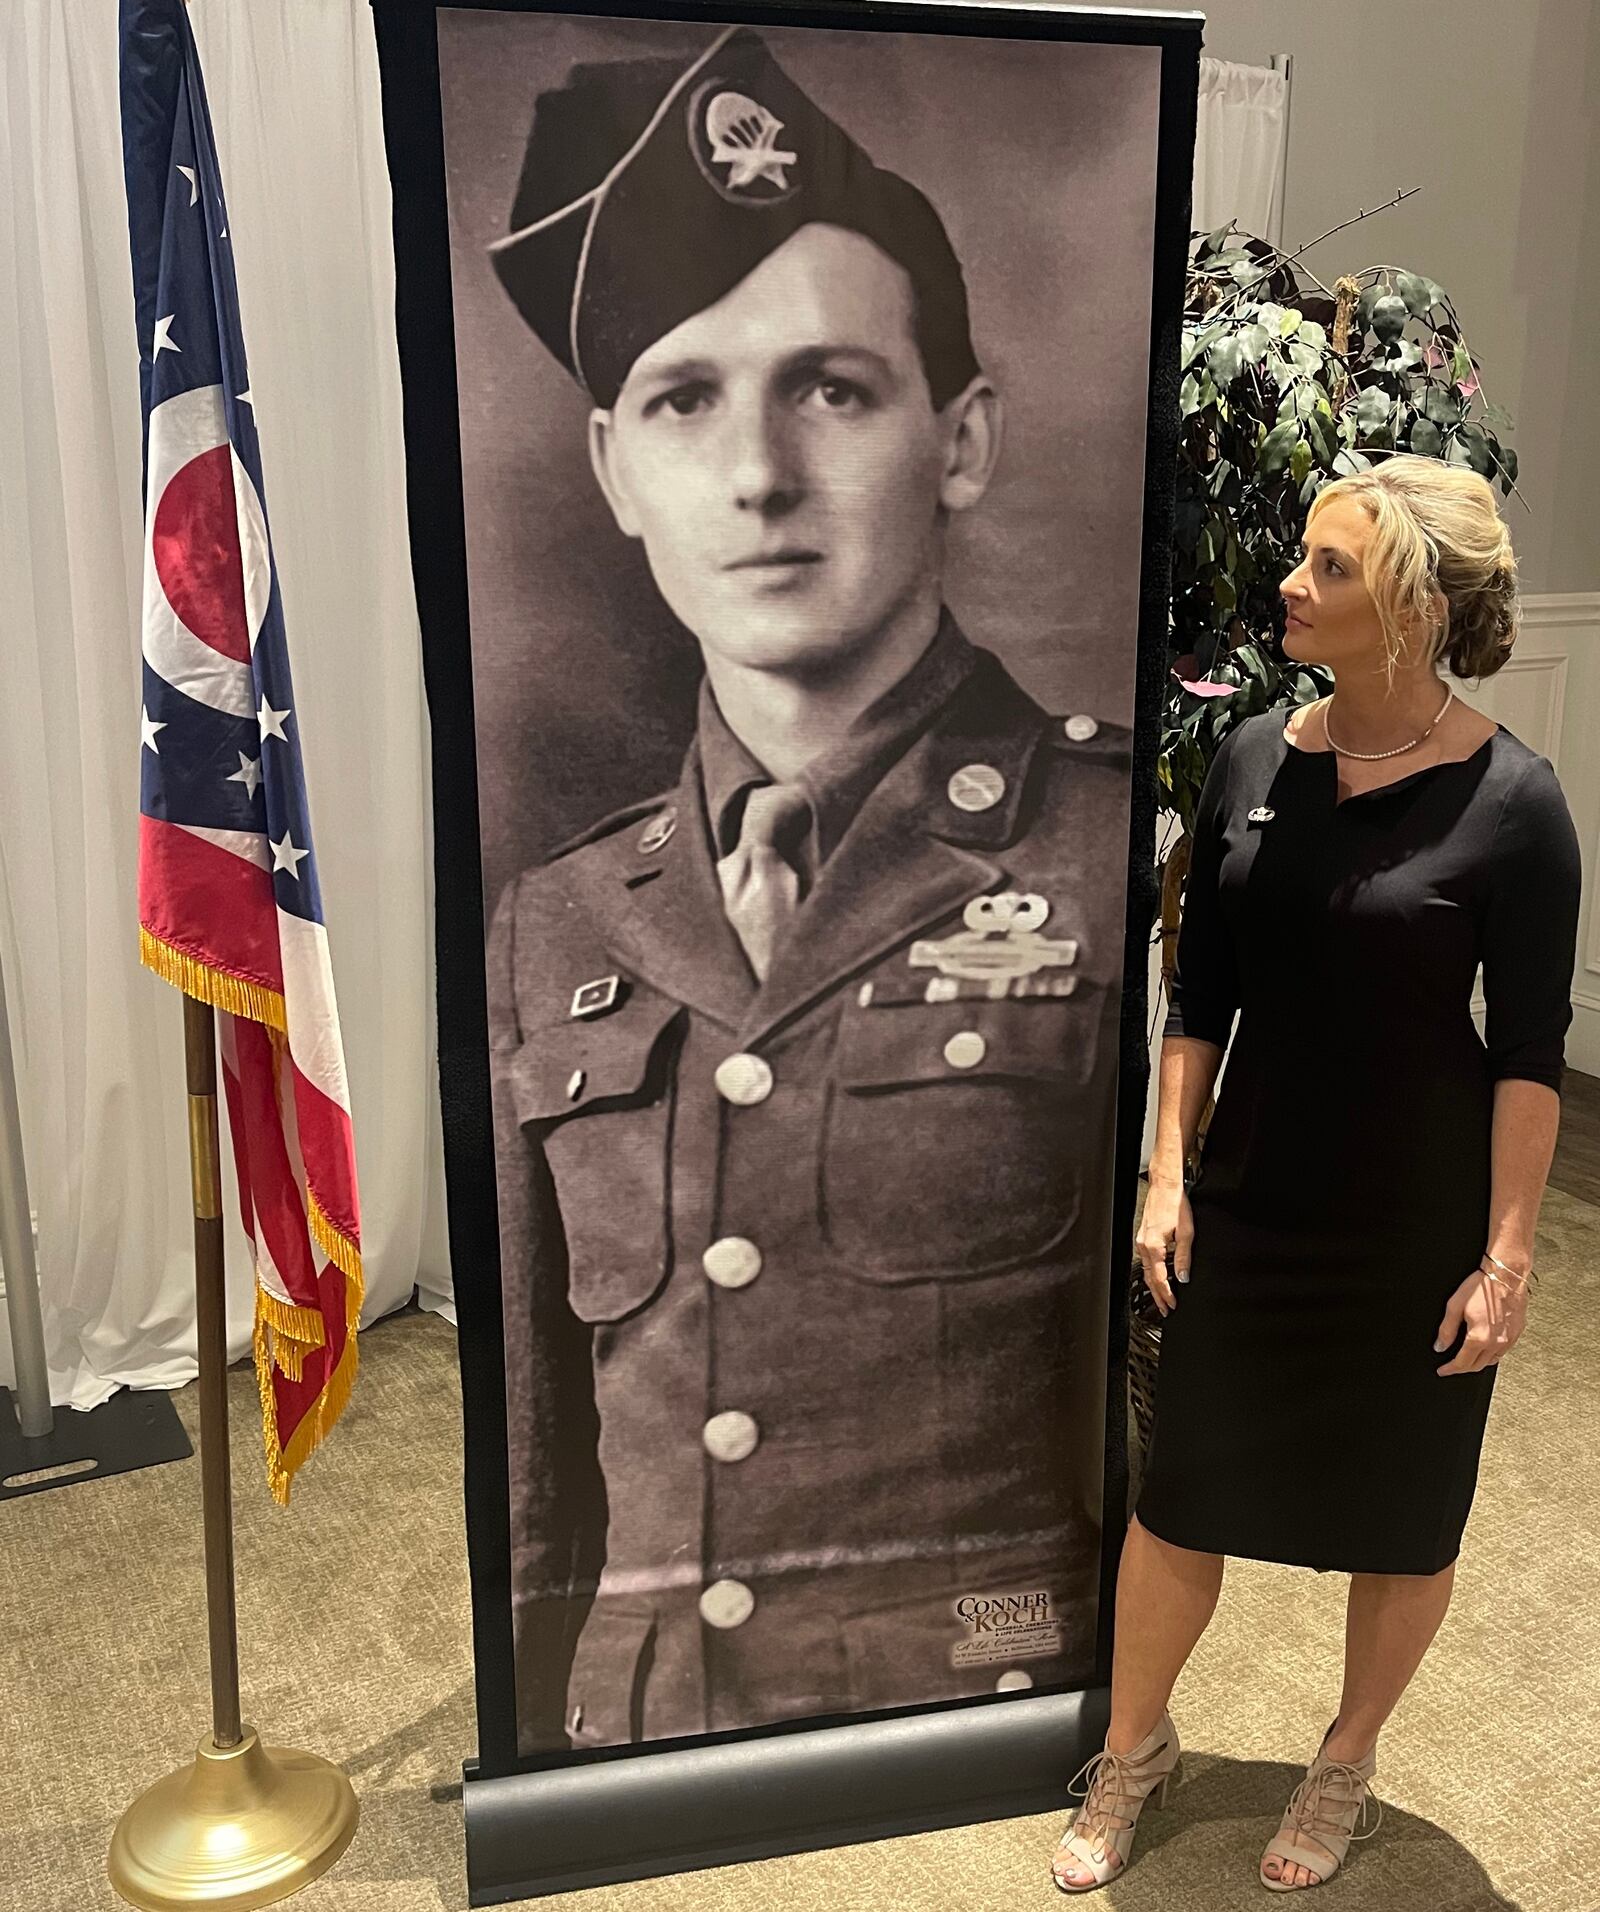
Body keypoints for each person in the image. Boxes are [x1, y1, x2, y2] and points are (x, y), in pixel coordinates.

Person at [483, 23, 1134, 1753]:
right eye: (686, 401)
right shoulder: (560, 917)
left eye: (832, 387)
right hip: (641, 1724)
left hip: (984, 1704)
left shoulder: (1107, 846)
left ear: (962, 437)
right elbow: (545, 1425)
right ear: (618, 470)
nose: (759, 475)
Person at [1049, 454, 1582, 1892]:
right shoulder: (1253, 762)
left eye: (1329, 568)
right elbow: (1195, 1000)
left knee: (1404, 1516)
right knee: (1182, 1502)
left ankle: (1345, 1759)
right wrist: (1167, 1175)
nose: (1291, 584)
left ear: (1409, 607)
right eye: (1302, 556)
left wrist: (1507, 1259)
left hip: (1415, 1221)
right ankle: (1137, 1745)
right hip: (1250, 1198)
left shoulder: (1515, 805)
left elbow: (1531, 1052)